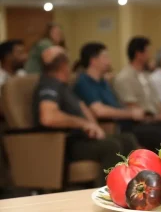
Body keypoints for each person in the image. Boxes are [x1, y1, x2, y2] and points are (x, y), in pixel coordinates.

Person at [32, 46, 137, 186]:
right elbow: (48, 117)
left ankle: (130, 185)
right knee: (112, 146)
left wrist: (94, 125)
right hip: (63, 144)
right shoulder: (49, 84)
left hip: (82, 138)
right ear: (64, 65)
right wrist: (84, 124)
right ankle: (108, 192)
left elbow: (82, 108)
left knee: (127, 139)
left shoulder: (64, 86)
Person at [74, 42, 161, 151]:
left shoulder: (103, 82)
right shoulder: (84, 82)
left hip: (126, 122)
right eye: (105, 57)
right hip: (116, 126)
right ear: (93, 60)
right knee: (159, 134)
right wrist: (130, 113)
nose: (109, 61)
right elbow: (99, 110)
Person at [113, 36, 161, 121]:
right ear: (139, 54)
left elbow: (157, 101)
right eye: (148, 52)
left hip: (156, 119)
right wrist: (157, 117)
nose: (150, 56)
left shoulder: (146, 75)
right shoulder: (124, 78)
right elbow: (132, 107)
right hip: (141, 123)